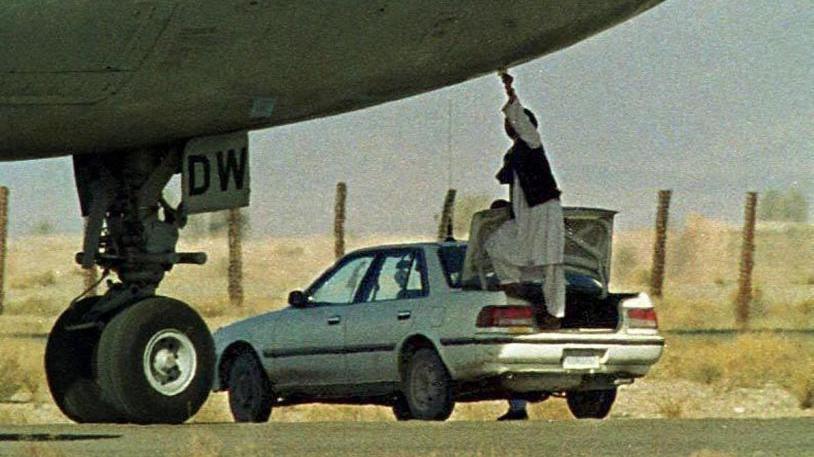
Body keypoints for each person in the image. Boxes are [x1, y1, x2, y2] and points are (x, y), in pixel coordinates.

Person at [485, 72, 566, 330]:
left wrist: (509, 90)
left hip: (543, 211)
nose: (508, 125)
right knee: (497, 244)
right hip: (525, 214)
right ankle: (515, 291)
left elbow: (519, 118)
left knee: (550, 262)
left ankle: (555, 314)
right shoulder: (516, 152)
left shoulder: (532, 141)